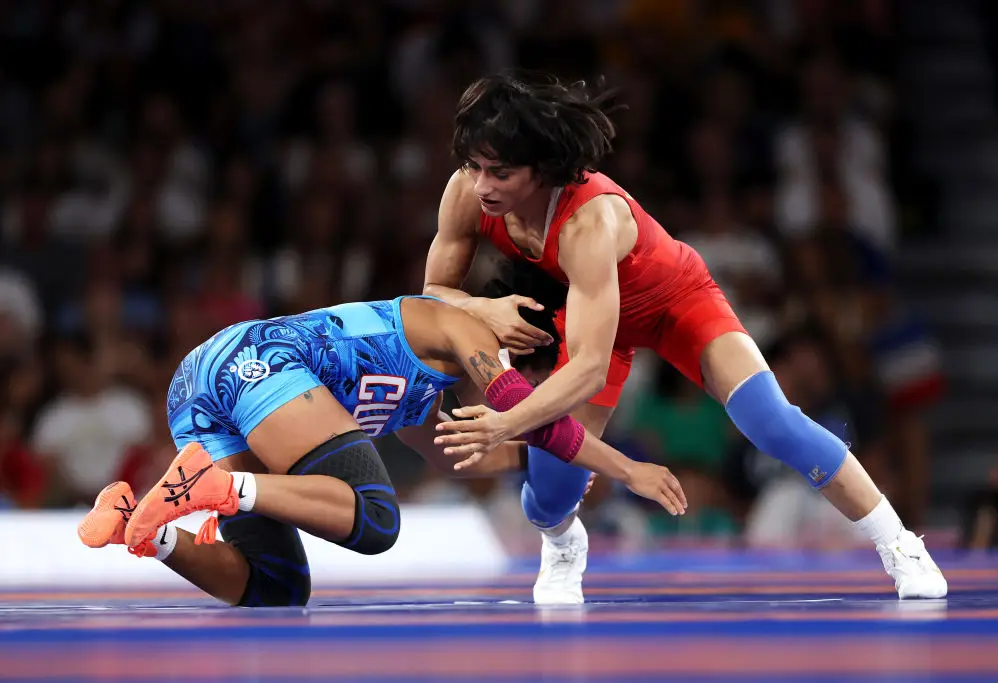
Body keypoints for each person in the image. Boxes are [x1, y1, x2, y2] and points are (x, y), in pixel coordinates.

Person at [423, 71, 947, 603]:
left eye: (501, 173)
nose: (483, 185)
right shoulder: (466, 192)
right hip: (592, 315)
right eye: (476, 166)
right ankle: (562, 542)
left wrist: (505, 423)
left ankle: (900, 543)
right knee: (549, 495)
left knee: (771, 421)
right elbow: (434, 292)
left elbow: (589, 371)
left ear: (542, 169)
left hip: (676, 303)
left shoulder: (588, 222)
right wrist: (483, 306)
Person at [77, 288, 685, 608]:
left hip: (203, 384)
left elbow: (463, 457)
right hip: (257, 361)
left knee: (277, 588)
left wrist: (540, 465)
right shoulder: (464, 329)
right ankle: (217, 487)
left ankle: (144, 528)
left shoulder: (424, 400)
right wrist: (627, 468)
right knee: (375, 518)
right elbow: (531, 411)